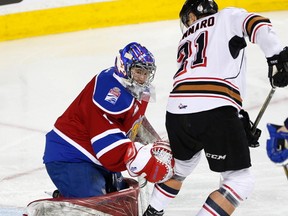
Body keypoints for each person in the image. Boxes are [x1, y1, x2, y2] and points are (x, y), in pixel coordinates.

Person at [143, 0, 288, 215]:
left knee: (181, 166)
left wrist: (236, 120)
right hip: (215, 109)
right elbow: (258, 23)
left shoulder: (186, 37)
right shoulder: (226, 16)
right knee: (239, 181)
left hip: (176, 112)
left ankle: (152, 211)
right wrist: (276, 57)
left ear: (193, 16)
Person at [43, 42, 175, 198]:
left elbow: (133, 122)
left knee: (121, 199)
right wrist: (140, 158)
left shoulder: (134, 88)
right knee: (97, 206)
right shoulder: (111, 92)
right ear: (123, 68)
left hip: (96, 159)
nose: (142, 78)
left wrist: (155, 146)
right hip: (71, 156)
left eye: (146, 73)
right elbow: (105, 142)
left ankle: (69, 195)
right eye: (138, 71)